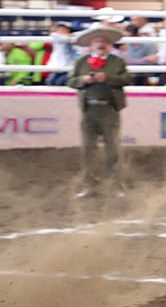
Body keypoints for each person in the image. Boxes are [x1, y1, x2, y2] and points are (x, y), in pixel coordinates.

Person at [66, 26, 132, 198]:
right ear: (91, 44)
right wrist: (83, 80)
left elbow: (127, 79)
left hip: (109, 108)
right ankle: (90, 185)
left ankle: (116, 184)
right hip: (88, 108)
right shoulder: (82, 61)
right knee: (88, 148)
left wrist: (108, 78)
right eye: (96, 41)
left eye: (103, 41)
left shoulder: (117, 61)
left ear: (109, 44)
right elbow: (70, 81)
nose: (100, 44)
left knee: (113, 148)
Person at [46, 21, 77, 86]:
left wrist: (70, 38)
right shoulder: (56, 36)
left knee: (59, 82)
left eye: (64, 28)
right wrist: (68, 38)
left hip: (69, 66)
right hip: (58, 65)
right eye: (59, 28)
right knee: (50, 81)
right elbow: (55, 35)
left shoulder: (74, 37)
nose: (61, 30)